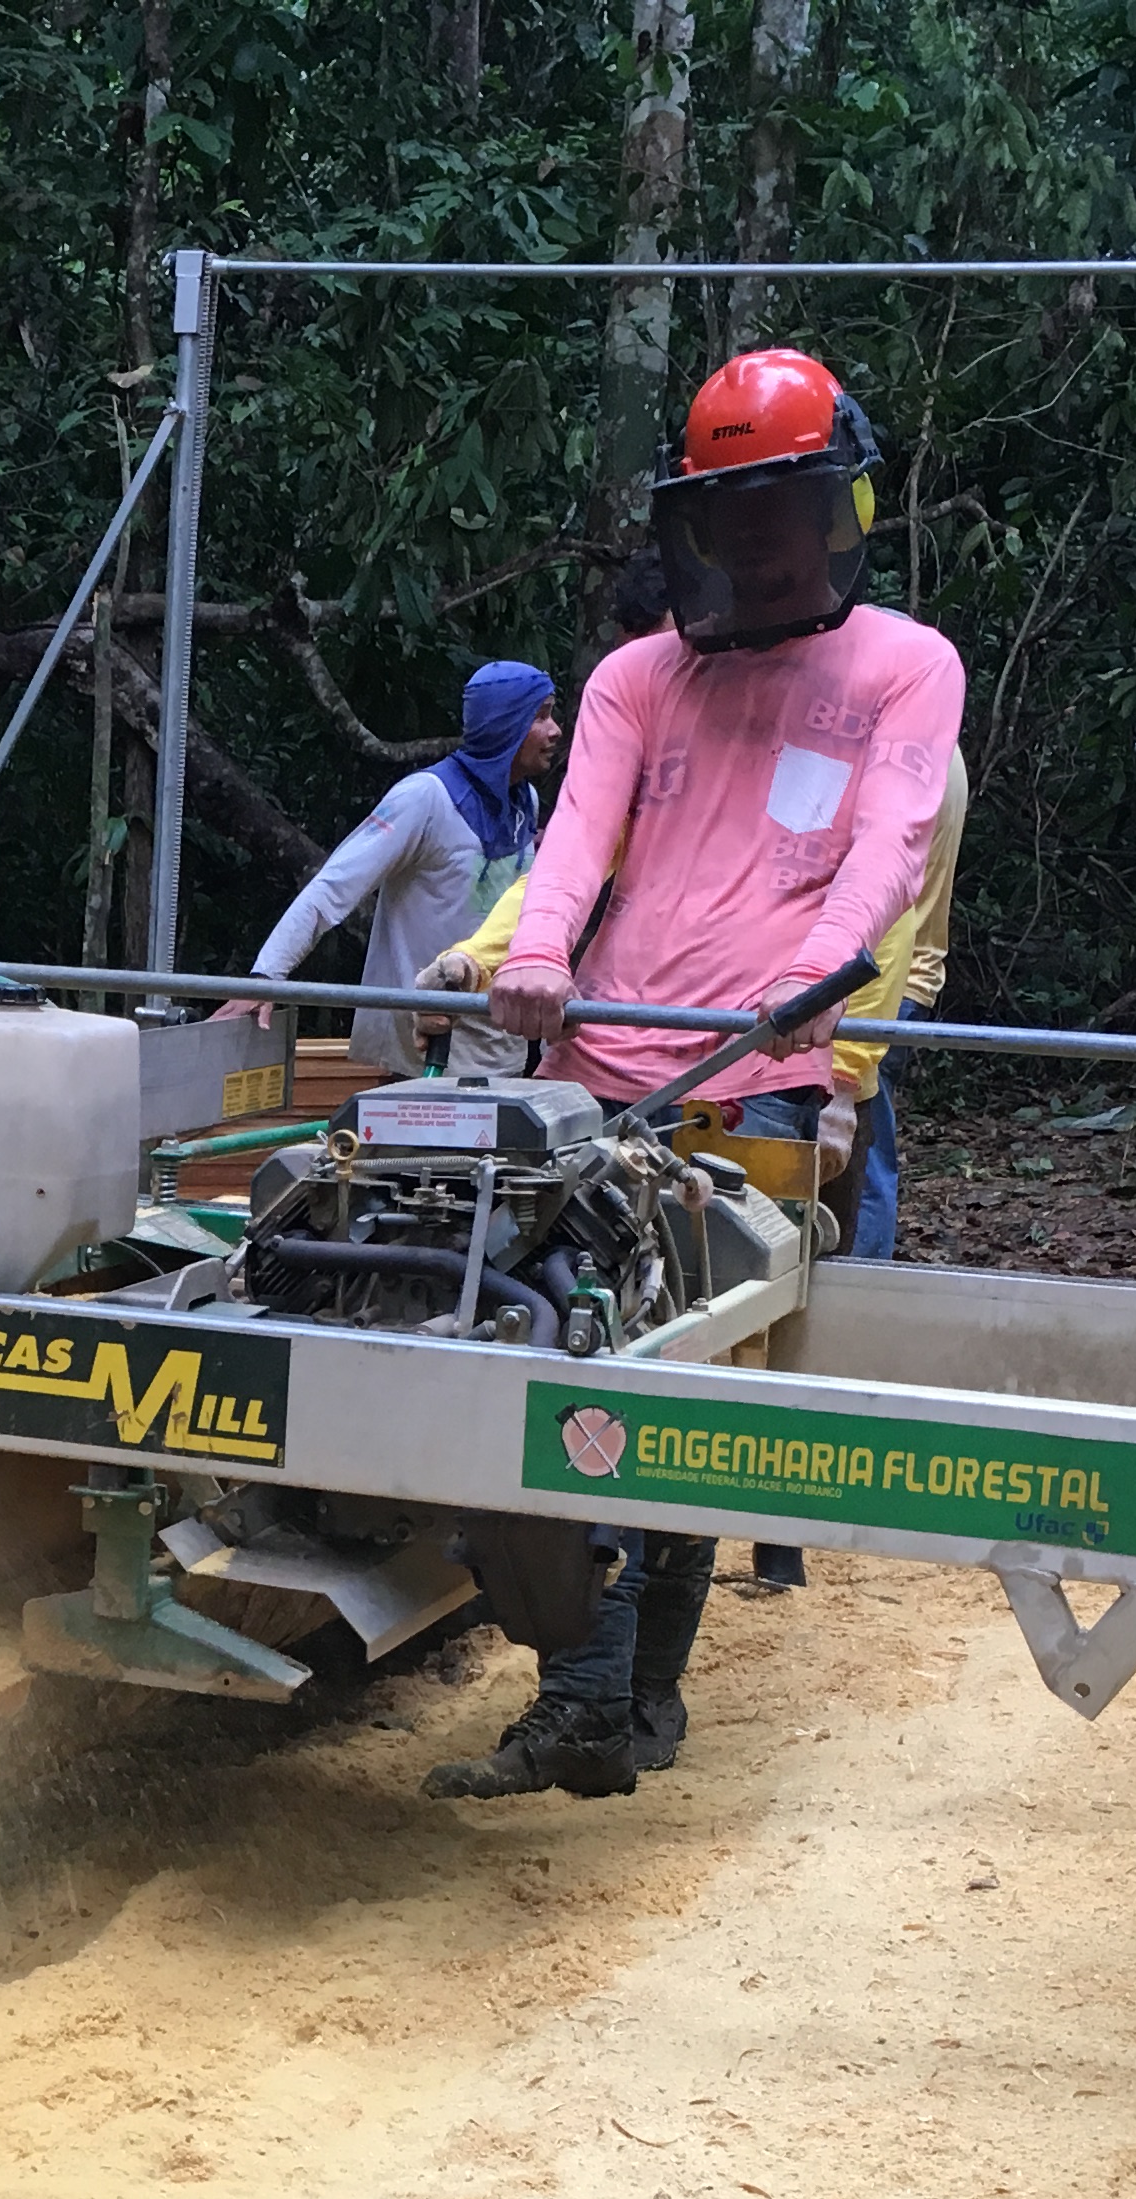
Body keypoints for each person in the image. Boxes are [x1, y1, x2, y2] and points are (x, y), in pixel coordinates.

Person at [422, 346, 967, 1802]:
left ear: (840, 512)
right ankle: (601, 1702)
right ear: (693, 528)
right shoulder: (633, 680)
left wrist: (824, 982)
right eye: (730, 517)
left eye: (782, 511)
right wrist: (536, 954)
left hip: (755, 1073)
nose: (758, 543)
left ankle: (616, 1702)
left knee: (685, 1396)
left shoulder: (906, 667)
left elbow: (892, 841)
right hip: (592, 1063)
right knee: (553, 1350)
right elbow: (575, 845)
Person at [229, 660, 564, 1077]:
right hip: (425, 1051)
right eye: (540, 716)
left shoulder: (523, 801)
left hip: (502, 1048)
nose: (555, 731)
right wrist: (265, 975)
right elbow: (334, 886)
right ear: (505, 724)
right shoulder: (425, 798)